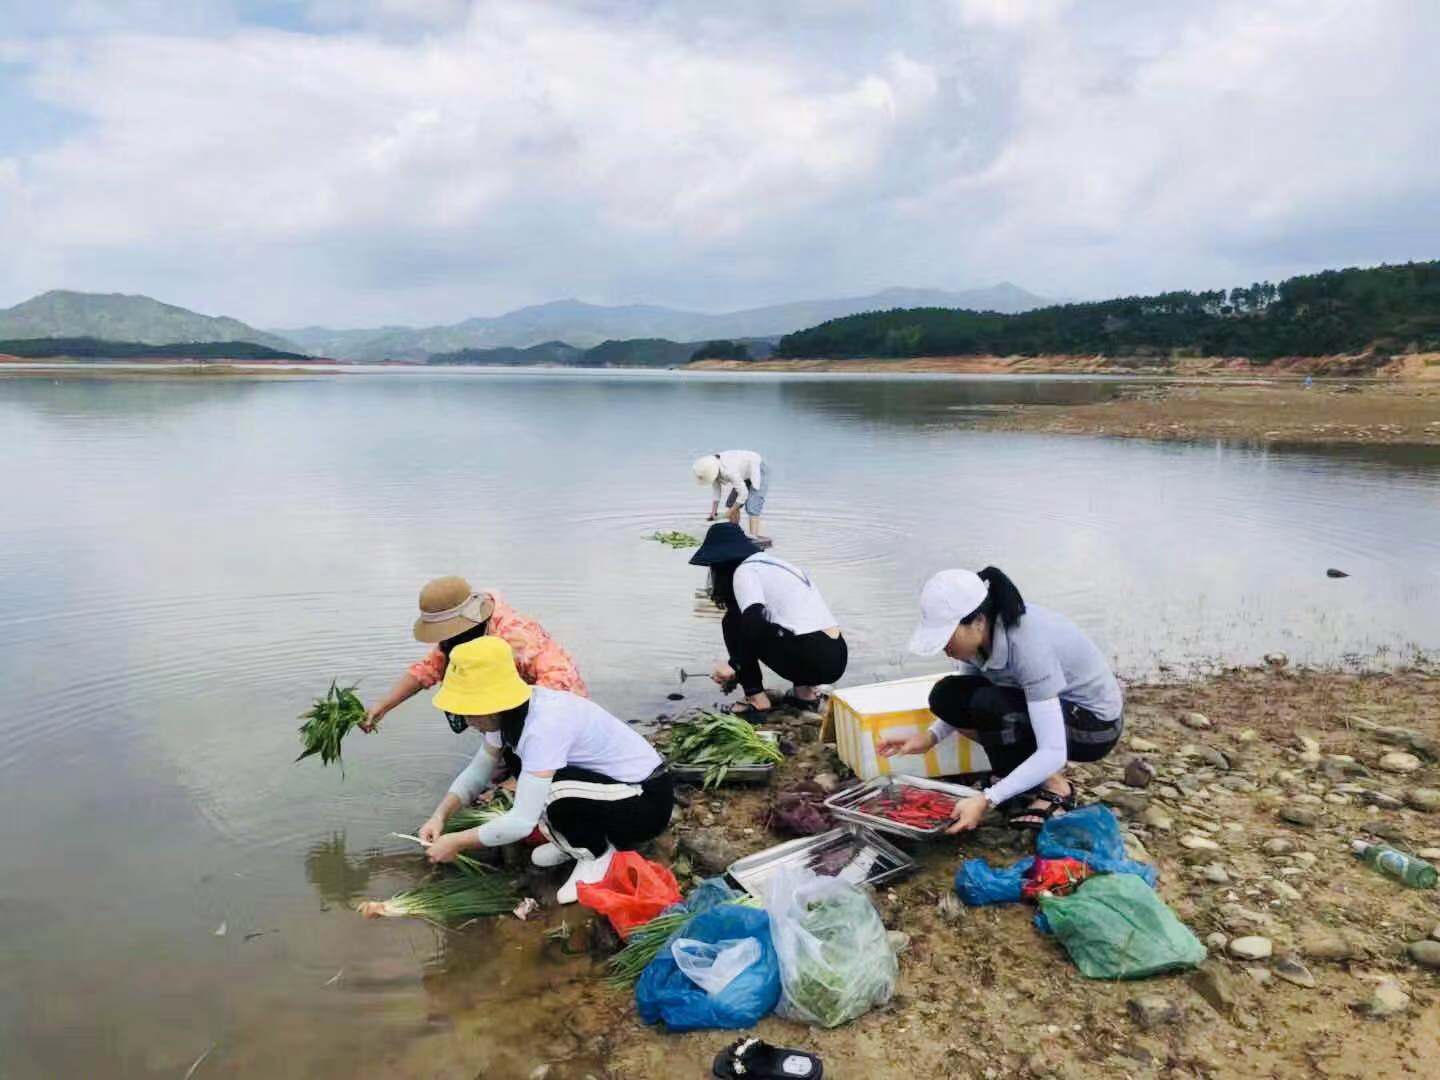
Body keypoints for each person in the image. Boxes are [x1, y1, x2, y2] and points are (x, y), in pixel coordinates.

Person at [418, 637, 673, 904]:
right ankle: (575, 843)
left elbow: (521, 822)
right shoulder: (506, 716)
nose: (468, 721)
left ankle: (595, 854)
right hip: (609, 792)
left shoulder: (544, 725)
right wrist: (439, 816)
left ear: (491, 705)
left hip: (645, 802)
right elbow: (479, 771)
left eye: (469, 712)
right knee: (538, 786)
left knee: (550, 792)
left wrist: (456, 842)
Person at [880, 567, 1123, 834]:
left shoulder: (1028, 646)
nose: (944, 647)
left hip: (1094, 726)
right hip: (1049, 710)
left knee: (990, 705)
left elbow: (1054, 751)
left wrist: (987, 799)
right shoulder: (979, 641)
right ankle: (1018, 778)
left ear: (978, 621)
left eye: (948, 636)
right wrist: (929, 738)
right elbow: (966, 696)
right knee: (947, 695)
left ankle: (1056, 787)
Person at [361, 575, 587, 732]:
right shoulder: (458, 638)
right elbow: (429, 668)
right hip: (503, 710)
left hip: (554, 712)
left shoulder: (515, 634)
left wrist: (525, 738)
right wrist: (384, 706)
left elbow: (561, 682)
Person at [688, 523, 847, 716]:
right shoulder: (775, 565)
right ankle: (805, 696)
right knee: (784, 622)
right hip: (836, 656)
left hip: (812, 658)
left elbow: (752, 623)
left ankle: (757, 699)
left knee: (733, 622)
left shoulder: (744, 572)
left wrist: (733, 665)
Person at [693, 450, 770, 540]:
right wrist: (714, 512)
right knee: (731, 503)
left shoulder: (729, 471)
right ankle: (735, 533)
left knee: (752, 507)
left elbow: (743, 494)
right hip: (743, 473)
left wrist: (729, 513)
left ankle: (754, 539)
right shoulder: (711, 468)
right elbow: (716, 491)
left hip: (757, 468)